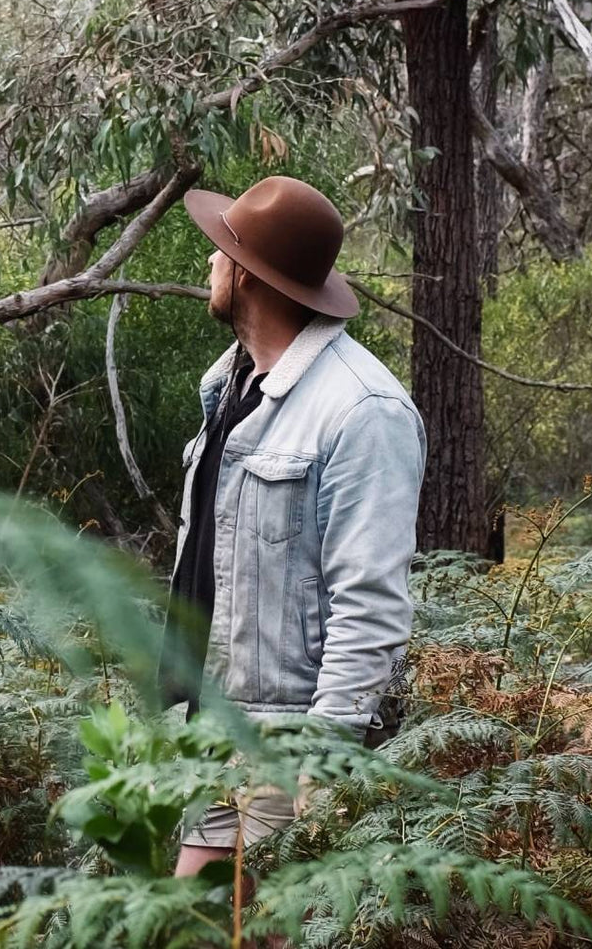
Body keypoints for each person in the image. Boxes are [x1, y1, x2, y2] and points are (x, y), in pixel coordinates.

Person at [158, 175, 427, 877]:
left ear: (245, 274)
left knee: (203, 923)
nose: (209, 264)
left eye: (219, 252)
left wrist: (321, 762)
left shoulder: (363, 411)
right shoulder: (231, 390)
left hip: (283, 743)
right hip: (209, 725)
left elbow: (369, 605)